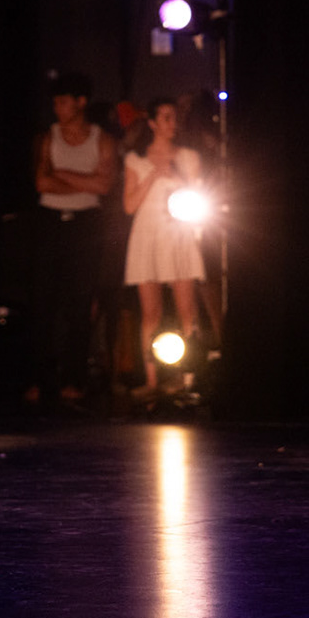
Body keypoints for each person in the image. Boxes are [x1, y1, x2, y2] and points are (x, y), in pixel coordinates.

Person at [27, 72, 115, 408]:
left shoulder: (102, 140)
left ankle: (74, 380)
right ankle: (40, 379)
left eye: (63, 102)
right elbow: (41, 182)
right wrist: (84, 181)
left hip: (86, 224)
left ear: (81, 102)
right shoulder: (47, 137)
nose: (58, 108)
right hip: (50, 221)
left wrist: (61, 174)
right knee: (43, 302)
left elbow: (104, 186)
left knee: (80, 303)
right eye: (55, 102)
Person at [123, 98, 205, 398]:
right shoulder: (136, 159)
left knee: (187, 309)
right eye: (166, 117)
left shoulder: (188, 157)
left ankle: (189, 377)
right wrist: (152, 175)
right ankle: (152, 380)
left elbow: (198, 195)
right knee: (151, 313)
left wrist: (177, 176)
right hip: (148, 235)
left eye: (174, 117)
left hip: (178, 233)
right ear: (153, 123)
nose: (172, 123)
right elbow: (129, 205)